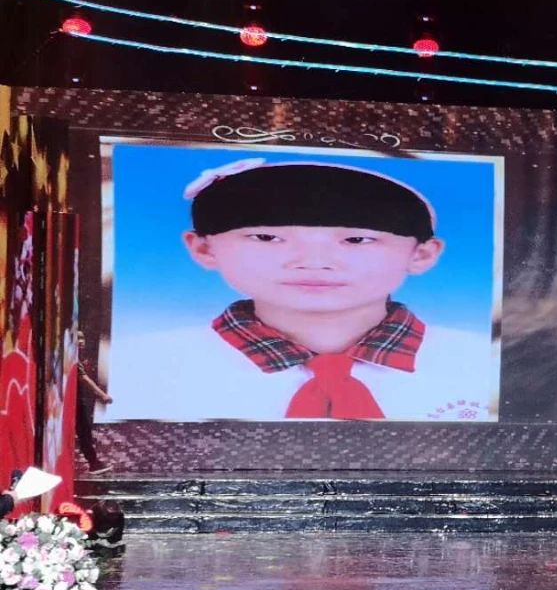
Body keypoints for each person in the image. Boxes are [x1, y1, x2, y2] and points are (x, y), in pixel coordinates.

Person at [103, 158, 496, 421]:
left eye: (356, 240)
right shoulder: (136, 367)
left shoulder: (484, 362)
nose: (313, 262)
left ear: (422, 254)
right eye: (267, 237)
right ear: (203, 248)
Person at [75, 332, 113, 473]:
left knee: (84, 432)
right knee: (84, 432)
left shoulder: (78, 359)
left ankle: (94, 462)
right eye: (77, 338)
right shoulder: (73, 359)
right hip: (74, 402)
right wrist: (102, 395)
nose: (81, 341)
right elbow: (84, 379)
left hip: (77, 401)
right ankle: (94, 463)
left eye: (82, 338)